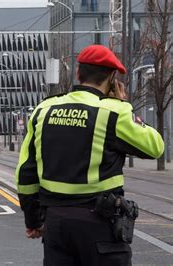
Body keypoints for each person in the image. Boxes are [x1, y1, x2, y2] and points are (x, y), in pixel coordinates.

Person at [15, 45, 164, 266]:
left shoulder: (43, 109)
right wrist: (124, 105)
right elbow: (155, 147)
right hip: (100, 225)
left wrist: (33, 220)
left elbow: (26, 174)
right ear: (113, 77)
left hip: (56, 225)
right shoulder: (114, 112)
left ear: (77, 72)